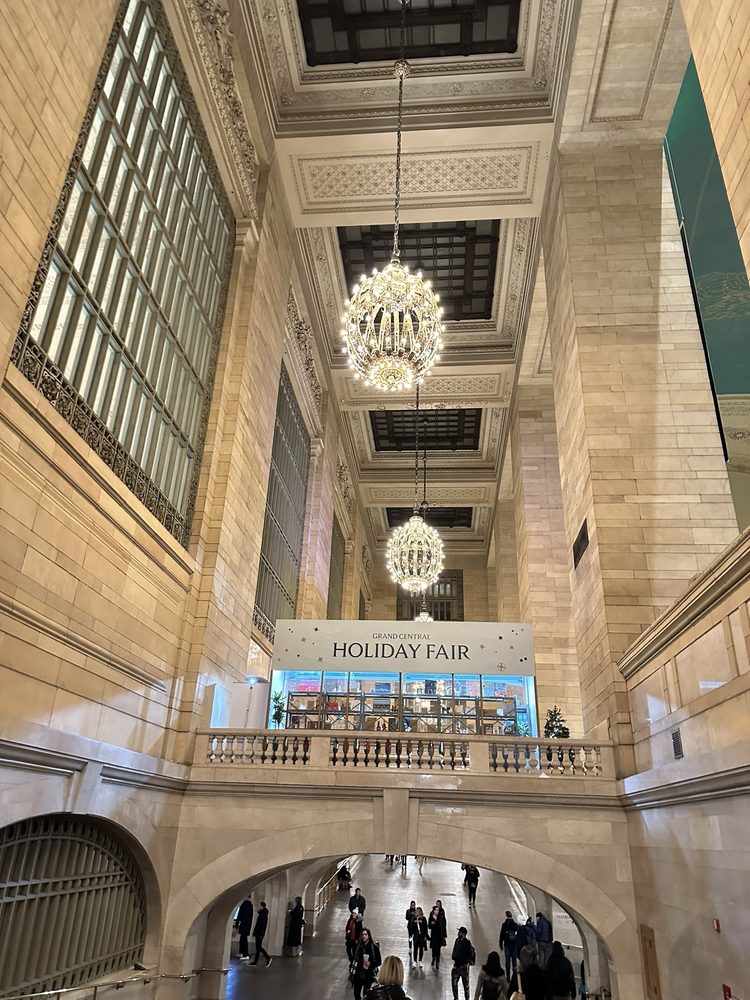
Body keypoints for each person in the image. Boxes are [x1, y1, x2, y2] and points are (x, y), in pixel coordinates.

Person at [351, 927, 381, 1000]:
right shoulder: (358, 946)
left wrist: (370, 964)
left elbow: (379, 961)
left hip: (368, 975)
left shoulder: (374, 947)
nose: (364, 936)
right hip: (358, 974)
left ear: (369, 936)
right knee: (356, 993)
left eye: (365, 934)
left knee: (366, 994)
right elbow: (353, 959)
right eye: (362, 934)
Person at [451, 926, 475, 1000]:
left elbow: (471, 954)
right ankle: (456, 997)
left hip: (464, 967)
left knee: (466, 985)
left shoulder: (467, 943)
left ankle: (467, 998)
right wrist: (454, 956)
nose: (458, 933)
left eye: (460, 932)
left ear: (464, 934)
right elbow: (455, 949)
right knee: (454, 983)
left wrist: (465, 961)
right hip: (456, 966)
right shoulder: (457, 940)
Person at [250, 902, 271, 966]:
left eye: (259, 906)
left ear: (262, 906)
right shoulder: (262, 914)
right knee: (258, 948)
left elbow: (263, 925)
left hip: (259, 934)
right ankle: (255, 962)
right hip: (258, 933)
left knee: (258, 947)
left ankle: (268, 958)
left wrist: (261, 934)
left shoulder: (263, 914)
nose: (258, 907)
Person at [499, 911, 518, 979]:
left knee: (507, 961)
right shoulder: (515, 924)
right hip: (514, 945)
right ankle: (515, 976)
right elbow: (518, 935)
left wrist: (500, 944)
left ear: (506, 916)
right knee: (514, 961)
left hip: (507, 944)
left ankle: (508, 976)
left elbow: (502, 935)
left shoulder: (504, 924)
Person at [428, 903, 447, 971]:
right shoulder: (431, 917)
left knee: (438, 950)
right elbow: (429, 926)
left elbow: (443, 926)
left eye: (438, 910)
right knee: (433, 949)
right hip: (433, 936)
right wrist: (431, 924)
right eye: (436, 910)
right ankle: (433, 958)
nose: (437, 911)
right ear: (433, 911)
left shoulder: (440, 917)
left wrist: (444, 935)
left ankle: (437, 962)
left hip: (439, 936)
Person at [236, 896, 253, 961]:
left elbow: (240, 914)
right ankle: (242, 953)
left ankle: (245, 954)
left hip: (244, 925)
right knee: (243, 939)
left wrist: (237, 923)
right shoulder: (250, 905)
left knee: (243, 940)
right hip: (247, 926)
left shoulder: (245, 904)